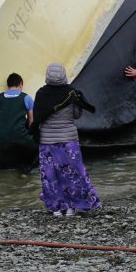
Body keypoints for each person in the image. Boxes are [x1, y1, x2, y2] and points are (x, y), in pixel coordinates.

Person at [32, 64, 102, 217]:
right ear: (64, 75)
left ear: (47, 76)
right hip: (68, 140)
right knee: (73, 174)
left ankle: (57, 208)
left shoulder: (41, 94)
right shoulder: (72, 93)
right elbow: (76, 115)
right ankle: (74, 206)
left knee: (51, 176)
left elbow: (37, 116)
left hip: (47, 141)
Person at [0, 73, 36, 169]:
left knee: (6, 168)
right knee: (33, 153)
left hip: (2, 140)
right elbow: (31, 123)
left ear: (8, 85)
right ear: (20, 84)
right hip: (21, 137)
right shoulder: (26, 98)